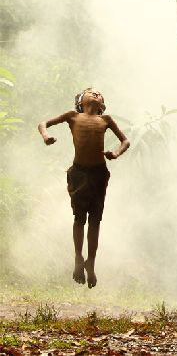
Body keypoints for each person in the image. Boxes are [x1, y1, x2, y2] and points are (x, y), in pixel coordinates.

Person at [37, 88, 130, 288]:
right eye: (91, 92)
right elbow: (43, 123)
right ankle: (79, 258)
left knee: (95, 220)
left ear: (102, 104)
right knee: (80, 218)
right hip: (79, 173)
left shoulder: (106, 119)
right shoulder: (73, 116)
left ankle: (91, 262)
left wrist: (115, 153)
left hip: (99, 173)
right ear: (80, 102)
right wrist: (46, 136)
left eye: (99, 93)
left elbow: (126, 140)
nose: (96, 94)